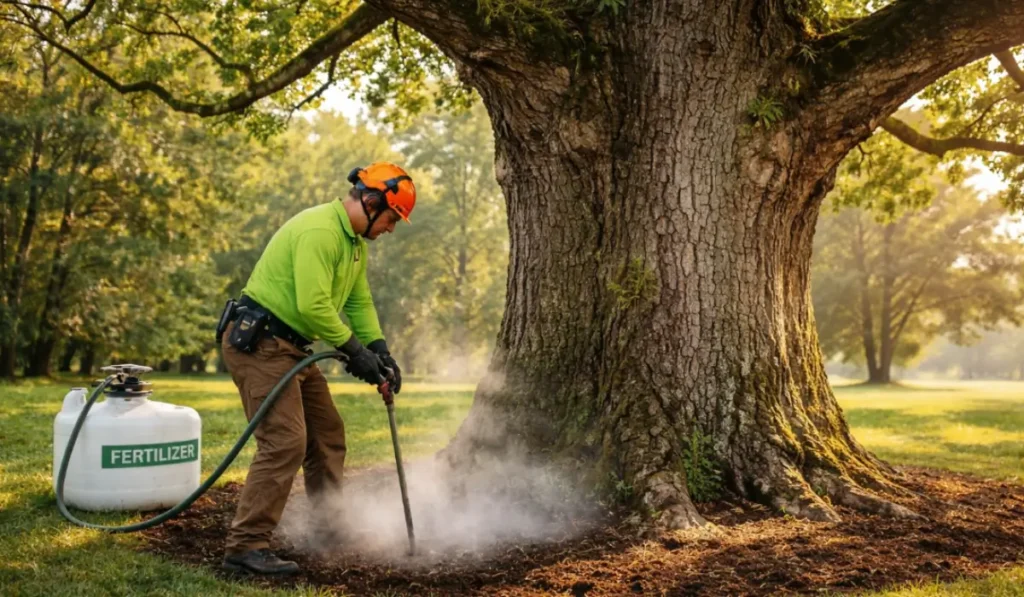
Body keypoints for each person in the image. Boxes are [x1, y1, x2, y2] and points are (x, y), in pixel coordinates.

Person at [218, 162, 414, 575]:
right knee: (285, 441)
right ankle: (245, 547)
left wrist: (380, 351)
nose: (392, 228)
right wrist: (354, 352)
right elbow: (313, 305)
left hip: (293, 349)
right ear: (372, 201)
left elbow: (358, 303)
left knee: (327, 435)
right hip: (262, 345)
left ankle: (328, 528)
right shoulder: (321, 231)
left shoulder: (355, 245)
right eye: (393, 218)